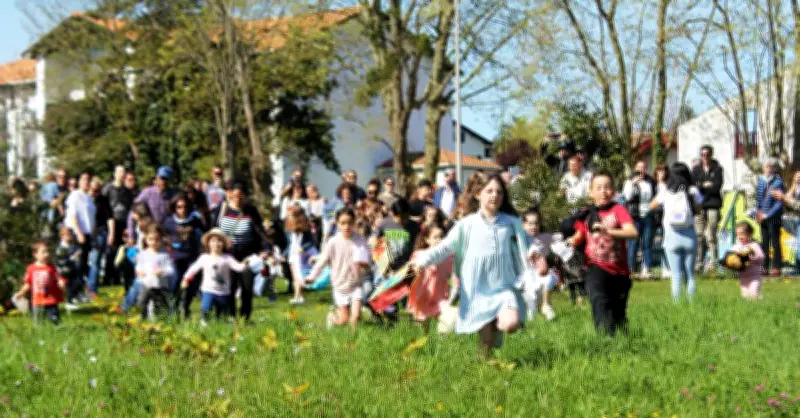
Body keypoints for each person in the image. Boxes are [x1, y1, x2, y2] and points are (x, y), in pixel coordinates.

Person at [411, 174, 531, 358]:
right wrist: (421, 261)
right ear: (477, 194)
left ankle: (495, 326)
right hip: (477, 290)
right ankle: (485, 371)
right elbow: (443, 248)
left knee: (510, 324)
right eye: (489, 191)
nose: (494, 195)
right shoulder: (466, 225)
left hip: (503, 287)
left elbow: (525, 248)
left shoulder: (511, 223)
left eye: (499, 192)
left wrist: (536, 261)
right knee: (484, 349)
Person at [566, 171, 638, 335]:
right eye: (598, 188)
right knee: (599, 299)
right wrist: (572, 240)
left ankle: (622, 336)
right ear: (591, 192)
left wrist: (609, 231)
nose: (603, 191)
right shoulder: (586, 213)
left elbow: (632, 232)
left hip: (619, 271)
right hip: (595, 266)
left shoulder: (618, 210)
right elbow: (580, 234)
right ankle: (605, 339)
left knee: (617, 312)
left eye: (607, 187)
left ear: (613, 191)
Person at [210, 181, 271, 321]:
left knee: (247, 288)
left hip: (247, 255)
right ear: (230, 194)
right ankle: (229, 316)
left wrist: (265, 249)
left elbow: (260, 232)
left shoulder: (251, 211)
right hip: (226, 255)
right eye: (236, 195)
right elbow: (212, 231)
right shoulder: (221, 210)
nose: (238, 198)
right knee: (228, 287)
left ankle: (245, 317)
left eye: (241, 196)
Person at [304, 208, 370, 329]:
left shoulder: (360, 241)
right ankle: (333, 318)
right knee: (344, 319)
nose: (347, 226)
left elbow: (367, 262)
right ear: (337, 223)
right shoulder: (333, 242)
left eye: (350, 222)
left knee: (355, 317)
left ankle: (353, 342)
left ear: (354, 222)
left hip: (356, 284)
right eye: (343, 223)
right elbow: (322, 262)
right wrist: (312, 277)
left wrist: (365, 265)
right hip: (340, 285)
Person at [649, 163, 703, 301]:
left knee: (676, 274)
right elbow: (699, 209)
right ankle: (691, 303)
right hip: (689, 235)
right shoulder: (692, 190)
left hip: (672, 235)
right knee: (690, 274)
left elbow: (652, 205)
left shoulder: (666, 190)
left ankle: (677, 304)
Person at [181, 228, 249, 325]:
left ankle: (219, 326)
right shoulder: (204, 258)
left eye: (219, 241)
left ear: (224, 244)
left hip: (223, 291)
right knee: (206, 307)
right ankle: (204, 322)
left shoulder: (227, 258)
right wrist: (186, 279)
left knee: (222, 313)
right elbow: (193, 269)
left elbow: (238, 267)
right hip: (208, 290)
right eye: (213, 241)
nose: (216, 244)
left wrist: (244, 264)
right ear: (208, 243)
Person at [163, 193, 205, 317]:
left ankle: (185, 306)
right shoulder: (169, 222)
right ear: (174, 208)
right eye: (179, 207)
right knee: (176, 282)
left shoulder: (194, 220)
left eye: (185, 206)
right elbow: (163, 235)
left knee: (191, 283)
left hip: (192, 257)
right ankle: (173, 309)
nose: (183, 210)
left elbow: (203, 234)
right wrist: (168, 244)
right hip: (176, 257)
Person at [407, 223, 453, 327]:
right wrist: (415, 268)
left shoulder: (448, 257)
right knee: (422, 319)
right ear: (427, 240)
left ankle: (441, 338)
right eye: (435, 237)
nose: (439, 240)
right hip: (424, 292)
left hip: (440, 293)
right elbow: (412, 269)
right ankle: (424, 337)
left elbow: (453, 271)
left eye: (442, 236)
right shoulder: (420, 254)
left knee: (443, 314)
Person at [15, 241, 67, 324]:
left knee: (55, 320)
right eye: (43, 252)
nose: (46, 254)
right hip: (37, 300)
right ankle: (39, 335)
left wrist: (61, 282)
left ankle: (59, 331)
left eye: (48, 251)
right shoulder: (31, 268)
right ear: (35, 254)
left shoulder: (51, 268)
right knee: (38, 322)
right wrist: (22, 292)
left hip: (51, 300)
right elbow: (28, 283)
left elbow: (58, 278)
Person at [692, 145, 724, 272]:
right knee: (699, 236)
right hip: (699, 206)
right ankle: (699, 263)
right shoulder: (696, 170)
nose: (705, 157)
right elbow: (694, 187)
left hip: (713, 205)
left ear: (711, 155)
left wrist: (703, 186)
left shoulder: (717, 169)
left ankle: (713, 262)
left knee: (711, 235)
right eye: (703, 154)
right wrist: (705, 185)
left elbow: (717, 186)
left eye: (707, 154)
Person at [623, 159, 656, 278]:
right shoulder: (629, 181)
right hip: (634, 215)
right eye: (639, 167)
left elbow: (655, 196)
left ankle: (647, 268)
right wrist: (633, 183)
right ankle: (631, 269)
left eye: (644, 167)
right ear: (635, 169)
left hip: (648, 215)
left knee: (647, 243)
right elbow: (627, 197)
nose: (641, 170)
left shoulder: (650, 181)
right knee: (633, 243)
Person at [64, 171, 96, 292]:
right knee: (76, 264)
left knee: (83, 264)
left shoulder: (88, 197)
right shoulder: (75, 196)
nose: (86, 182)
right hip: (77, 234)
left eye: (88, 179)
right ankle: (73, 291)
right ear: (78, 181)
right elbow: (73, 216)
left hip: (87, 234)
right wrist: (78, 232)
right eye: (83, 179)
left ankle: (79, 290)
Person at [521, 207, 555, 320]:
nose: (533, 226)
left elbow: (557, 238)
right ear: (523, 225)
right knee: (531, 306)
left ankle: (546, 305)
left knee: (549, 278)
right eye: (530, 224)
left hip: (539, 272)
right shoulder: (520, 239)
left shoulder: (543, 238)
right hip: (525, 275)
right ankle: (530, 320)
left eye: (536, 223)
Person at [135, 224, 174, 320]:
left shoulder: (164, 254)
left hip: (160, 285)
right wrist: (139, 271)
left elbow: (171, 270)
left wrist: (162, 271)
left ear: (161, 240)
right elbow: (139, 266)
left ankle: (161, 320)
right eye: (151, 239)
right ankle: (142, 318)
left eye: (157, 239)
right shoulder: (143, 254)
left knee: (160, 305)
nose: (154, 242)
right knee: (141, 301)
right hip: (146, 284)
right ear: (146, 240)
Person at [127, 166, 177, 241]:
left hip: (166, 235)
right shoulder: (147, 192)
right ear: (156, 178)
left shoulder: (174, 194)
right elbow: (132, 213)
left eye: (166, 179)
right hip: (148, 234)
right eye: (161, 178)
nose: (163, 182)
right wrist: (131, 235)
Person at [105, 166, 134, 286]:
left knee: (122, 251)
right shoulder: (108, 189)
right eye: (120, 172)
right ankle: (108, 278)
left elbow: (130, 208)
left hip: (124, 224)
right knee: (110, 251)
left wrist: (129, 225)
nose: (122, 174)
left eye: (124, 172)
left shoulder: (127, 191)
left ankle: (119, 277)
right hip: (111, 223)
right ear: (115, 173)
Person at [283, 205, 318, 305]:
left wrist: (303, 248)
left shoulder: (306, 230)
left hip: (301, 255)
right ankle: (297, 296)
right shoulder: (288, 231)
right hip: (292, 255)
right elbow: (289, 244)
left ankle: (300, 296)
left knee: (299, 276)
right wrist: (284, 254)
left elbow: (312, 241)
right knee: (294, 277)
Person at [756, 157, 785, 276]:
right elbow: (759, 199)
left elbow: (779, 203)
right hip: (762, 216)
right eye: (766, 166)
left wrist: (768, 214)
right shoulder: (761, 180)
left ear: (774, 169)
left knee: (775, 241)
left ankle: (777, 267)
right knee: (764, 241)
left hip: (773, 217)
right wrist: (758, 212)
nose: (767, 169)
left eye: (770, 167)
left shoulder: (778, 182)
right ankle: (764, 266)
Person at [87, 177, 114, 296]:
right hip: (87, 232)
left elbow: (109, 217)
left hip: (99, 232)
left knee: (95, 260)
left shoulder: (103, 200)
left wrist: (111, 233)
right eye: (92, 190)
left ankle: (92, 288)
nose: (94, 193)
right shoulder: (84, 199)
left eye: (97, 190)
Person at [730, 222, 765, 300]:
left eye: (742, 233)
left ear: (749, 234)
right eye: (738, 234)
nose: (740, 236)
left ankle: (758, 301)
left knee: (753, 292)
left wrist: (751, 256)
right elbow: (730, 258)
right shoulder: (736, 247)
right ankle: (759, 299)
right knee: (745, 295)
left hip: (755, 275)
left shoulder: (754, 245)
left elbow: (761, 257)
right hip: (743, 276)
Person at [54, 226, 82, 309]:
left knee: (77, 283)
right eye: (67, 235)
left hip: (72, 270)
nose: (70, 237)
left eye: (71, 235)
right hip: (64, 271)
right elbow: (62, 261)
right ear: (62, 236)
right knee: (69, 286)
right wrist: (74, 257)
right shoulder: (61, 248)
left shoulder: (71, 245)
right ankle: (69, 302)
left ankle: (74, 298)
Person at [653, 164, 670, 279]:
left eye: (663, 170)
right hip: (654, 214)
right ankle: (647, 266)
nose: (661, 172)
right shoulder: (653, 185)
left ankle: (666, 267)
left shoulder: (669, 185)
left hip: (665, 214)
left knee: (666, 241)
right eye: (659, 170)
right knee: (649, 242)